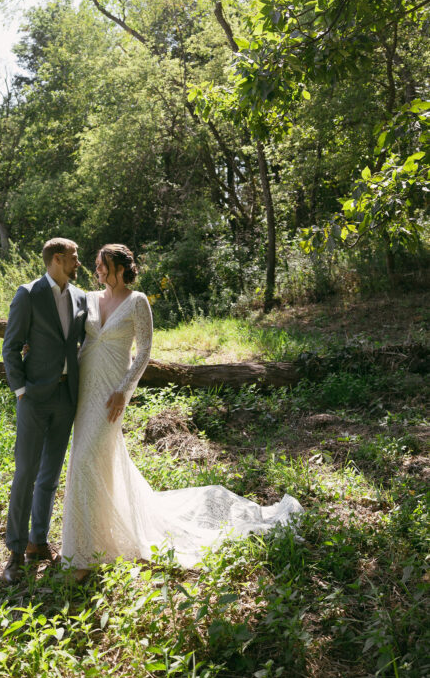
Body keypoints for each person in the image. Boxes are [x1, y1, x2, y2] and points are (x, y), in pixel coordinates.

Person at [61, 244, 303, 578]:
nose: (97, 269)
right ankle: (91, 544)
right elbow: (67, 336)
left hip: (112, 389)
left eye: (103, 265)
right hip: (85, 385)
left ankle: (86, 554)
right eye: (96, 265)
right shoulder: (87, 298)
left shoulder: (137, 301)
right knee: (86, 459)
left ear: (119, 268)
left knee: (91, 454)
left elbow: (144, 351)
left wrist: (124, 391)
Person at [1, 237, 87, 584]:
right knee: (25, 473)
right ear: (56, 258)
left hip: (67, 397)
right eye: (74, 256)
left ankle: (39, 541)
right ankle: (15, 552)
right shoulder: (29, 293)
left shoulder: (80, 297)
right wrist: (21, 391)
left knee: (49, 476)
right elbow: (10, 346)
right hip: (34, 398)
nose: (77, 262)